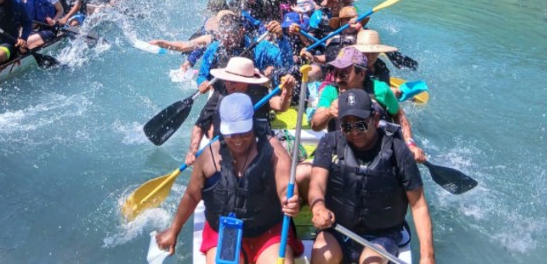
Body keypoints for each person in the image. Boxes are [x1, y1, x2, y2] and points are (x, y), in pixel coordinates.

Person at [154, 92, 302, 263]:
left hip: (268, 232)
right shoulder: (208, 156)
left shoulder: (273, 149)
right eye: (231, 133)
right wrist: (174, 230)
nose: (238, 139)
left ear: (252, 125)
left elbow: (286, 186)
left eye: (244, 132)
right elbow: (192, 195)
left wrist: (290, 200)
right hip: (224, 231)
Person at [307, 88, 435, 264]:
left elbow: (419, 205)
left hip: (382, 235)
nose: (354, 132)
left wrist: (427, 256)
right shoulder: (329, 143)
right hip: (338, 229)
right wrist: (318, 208)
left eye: (360, 125)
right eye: (346, 126)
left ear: (375, 120)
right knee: (322, 257)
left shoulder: (399, 151)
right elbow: (317, 185)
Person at [309, 47, 425, 163]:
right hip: (341, 154)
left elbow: (399, 115)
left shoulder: (380, 90)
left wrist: (410, 144)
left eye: (344, 74)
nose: (338, 79)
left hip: (379, 155)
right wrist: (329, 113)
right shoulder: (331, 91)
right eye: (336, 73)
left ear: (362, 74)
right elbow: (315, 125)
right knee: (300, 175)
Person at [188, 56, 294, 165]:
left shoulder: (259, 94)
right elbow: (200, 124)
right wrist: (193, 150)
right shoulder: (219, 95)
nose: (228, 85)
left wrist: (287, 90)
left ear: (246, 82)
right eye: (227, 81)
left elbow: (281, 106)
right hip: (226, 152)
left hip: (255, 151)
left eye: (233, 82)